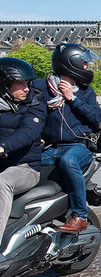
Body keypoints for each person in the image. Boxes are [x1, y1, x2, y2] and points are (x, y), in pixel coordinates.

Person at [32, 44, 101, 233]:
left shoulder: (85, 91)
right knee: (25, 162)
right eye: (85, 63)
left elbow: (97, 118)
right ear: (71, 64)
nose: (87, 67)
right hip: (50, 146)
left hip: (77, 145)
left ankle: (80, 215)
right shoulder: (40, 88)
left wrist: (73, 99)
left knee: (69, 160)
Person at [0, 58, 46, 237]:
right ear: (4, 85)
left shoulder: (34, 103)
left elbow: (29, 132)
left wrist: (3, 146)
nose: (26, 89)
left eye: (27, 84)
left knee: (2, 183)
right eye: (20, 84)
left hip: (24, 167)